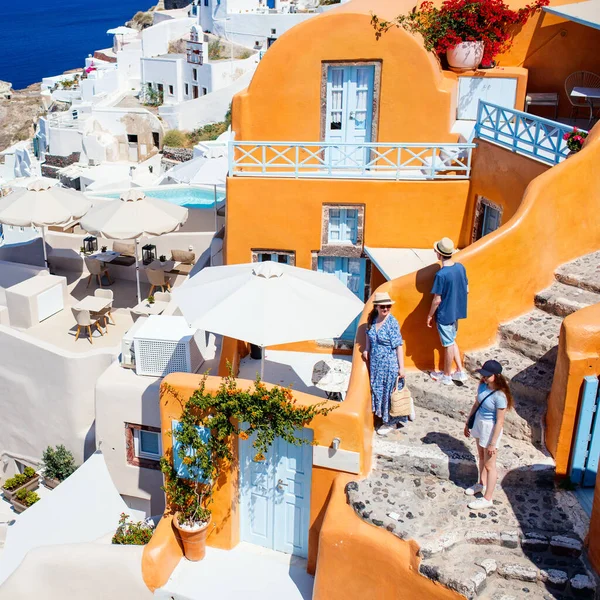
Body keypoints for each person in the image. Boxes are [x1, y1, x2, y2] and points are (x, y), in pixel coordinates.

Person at [463, 359, 513, 510]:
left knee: (490, 465)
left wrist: (493, 442)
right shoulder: (482, 386)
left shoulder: (500, 396)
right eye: (483, 375)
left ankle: (488, 498)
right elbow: (476, 404)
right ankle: (481, 483)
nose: (484, 377)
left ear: (496, 376)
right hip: (479, 423)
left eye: (487, 375)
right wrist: (468, 423)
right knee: (481, 457)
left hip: (490, 429)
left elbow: (500, 421)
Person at [362, 292, 409, 436]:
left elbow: (398, 345)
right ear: (376, 307)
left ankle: (391, 422)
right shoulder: (372, 319)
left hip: (389, 364)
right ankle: (389, 415)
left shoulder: (392, 323)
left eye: (388, 306)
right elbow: (368, 334)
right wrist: (366, 348)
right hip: (376, 365)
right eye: (383, 306)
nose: (386, 309)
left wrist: (401, 368)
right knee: (379, 390)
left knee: (389, 393)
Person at [427, 237, 469, 385]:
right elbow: (467, 289)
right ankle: (459, 371)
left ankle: (446, 375)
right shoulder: (460, 268)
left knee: (448, 343)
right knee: (452, 340)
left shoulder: (441, 275)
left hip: (445, 314)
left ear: (439, 254)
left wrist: (429, 315)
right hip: (457, 312)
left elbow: (437, 299)